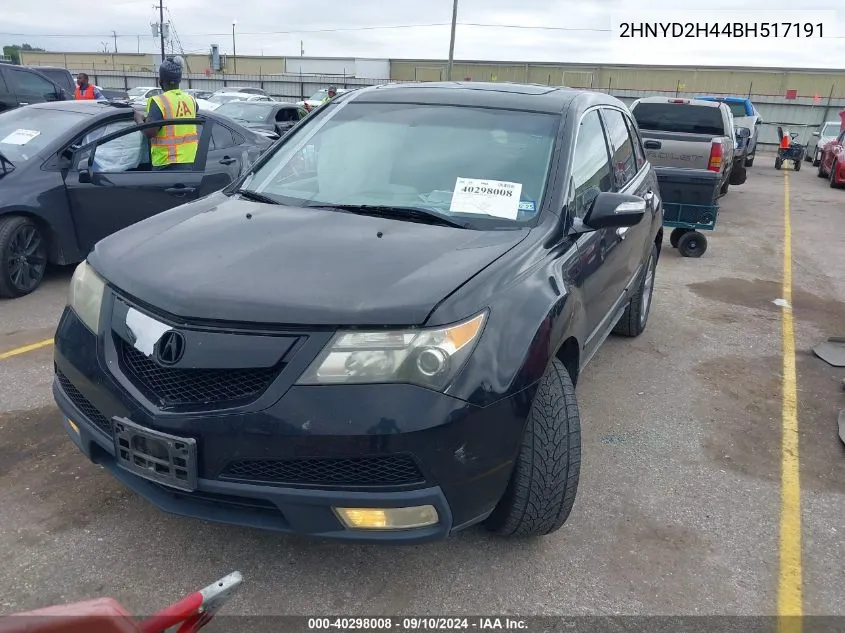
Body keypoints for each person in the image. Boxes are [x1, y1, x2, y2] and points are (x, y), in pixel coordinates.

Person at [134, 58, 198, 171]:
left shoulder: (159, 101)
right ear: (179, 80)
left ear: (160, 81)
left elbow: (149, 133)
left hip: (166, 165)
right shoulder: (191, 100)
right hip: (189, 163)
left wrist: (139, 119)